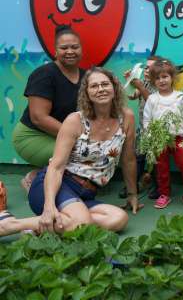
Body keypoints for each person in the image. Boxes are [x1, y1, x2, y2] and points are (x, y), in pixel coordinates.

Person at [0, 67, 139, 237]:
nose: (101, 89)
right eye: (94, 86)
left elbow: (128, 158)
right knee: (81, 224)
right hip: (58, 185)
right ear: (86, 93)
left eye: (105, 84)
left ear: (114, 88)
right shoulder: (75, 120)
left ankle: (40, 227)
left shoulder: (126, 117)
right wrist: (49, 206)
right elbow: (56, 167)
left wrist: (132, 194)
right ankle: (10, 225)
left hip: (86, 193)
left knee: (118, 219)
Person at [12, 27, 85, 191]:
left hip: (61, 134)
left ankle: (57, 179)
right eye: (64, 48)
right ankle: (36, 177)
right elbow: (39, 118)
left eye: (75, 47)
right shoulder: (44, 74)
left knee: (92, 149)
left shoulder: (86, 76)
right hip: (32, 136)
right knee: (82, 152)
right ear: (55, 51)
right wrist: (79, 138)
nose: (70, 51)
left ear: (81, 49)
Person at [143, 59, 183, 209]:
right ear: (153, 81)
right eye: (158, 78)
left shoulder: (179, 97)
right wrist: (149, 138)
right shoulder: (152, 99)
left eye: (165, 76)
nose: (162, 80)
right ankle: (164, 193)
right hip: (160, 140)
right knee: (161, 168)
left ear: (172, 77)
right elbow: (147, 120)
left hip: (179, 138)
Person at [119, 55, 162, 200]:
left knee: (156, 160)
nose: (147, 69)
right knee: (138, 158)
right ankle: (132, 185)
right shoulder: (144, 82)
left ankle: (159, 187)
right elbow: (134, 95)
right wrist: (130, 81)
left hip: (156, 130)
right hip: (143, 129)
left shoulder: (159, 84)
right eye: (146, 67)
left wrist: (140, 86)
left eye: (151, 67)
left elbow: (152, 102)